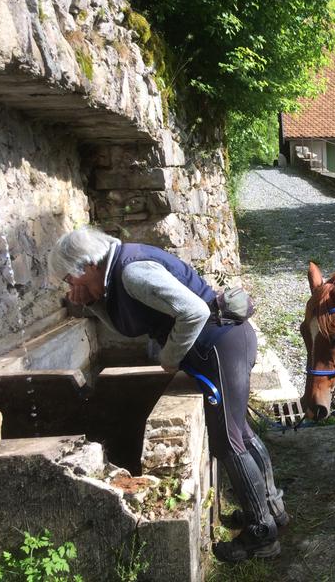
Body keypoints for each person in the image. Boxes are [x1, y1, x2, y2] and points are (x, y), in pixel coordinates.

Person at [48, 226, 288, 562]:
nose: (69, 288)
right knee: (241, 435)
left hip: (218, 346)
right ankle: (270, 510)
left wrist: (169, 358)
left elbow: (195, 312)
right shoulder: (119, 271)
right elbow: (125, 323)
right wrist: (91, 303)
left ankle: (261, 536)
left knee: (228, 442)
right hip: (227, 341)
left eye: (69, 280)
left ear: (86, 266)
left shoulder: (132, 272)